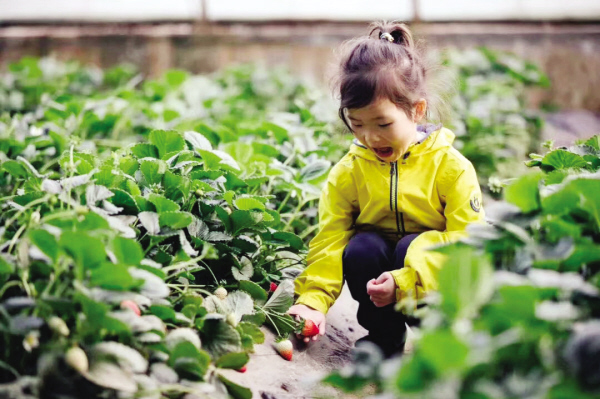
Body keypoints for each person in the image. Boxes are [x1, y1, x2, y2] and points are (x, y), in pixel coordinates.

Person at [287, 21, 486, 358]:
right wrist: (312, 302)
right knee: (361, 248)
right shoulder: (349, 172)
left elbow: (469, 242)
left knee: (413, 244)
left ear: (417, 110)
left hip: (431, 282)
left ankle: (441, 339)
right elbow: (330, 240)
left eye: (383, 124)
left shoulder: (451, 167)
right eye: (358, 124)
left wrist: (406, 280)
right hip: (377, 276)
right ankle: (383, 340)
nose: (370, 137)